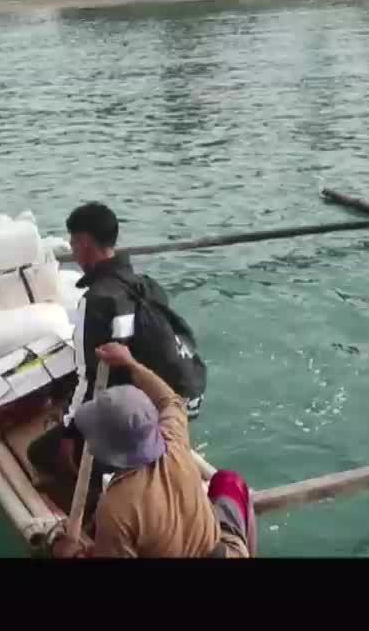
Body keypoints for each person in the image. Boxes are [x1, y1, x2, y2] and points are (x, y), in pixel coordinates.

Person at [27, 201, 204, 520]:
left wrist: (70, 431)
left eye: (73, 245)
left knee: (38, 453)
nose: (74, 253)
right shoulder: (147, 286)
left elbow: (87, 379)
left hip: (123, 424)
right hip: (163, 411)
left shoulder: (96, 301)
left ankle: (96, 511)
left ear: (83, 244)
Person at [50, 343, 255, 558]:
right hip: (222, 554)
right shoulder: (174, 441)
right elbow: (170, 400)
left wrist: (75, 554)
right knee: (229, 482)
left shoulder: (116, 507)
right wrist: (131, 363)